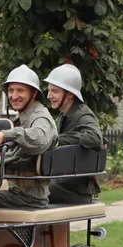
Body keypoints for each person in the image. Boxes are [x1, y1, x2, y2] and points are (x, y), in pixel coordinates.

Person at [0, 65, 57, 208]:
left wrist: (5, 134)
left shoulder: (40, 116)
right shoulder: (22, 117)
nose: (14, 96)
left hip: (28, 196)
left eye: (20, 91)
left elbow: (40, 138)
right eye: (10, 91)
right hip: (14, 189)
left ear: (33, 93)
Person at [43, 64, 102, 205]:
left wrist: (58, 139)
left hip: (75, 190)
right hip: (61, 182)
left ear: (70, 94)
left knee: (28, 191)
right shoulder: (63, 116)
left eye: (55, 91)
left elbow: (95, 138)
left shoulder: (83, 113)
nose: (49, 96)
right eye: (49, 90)